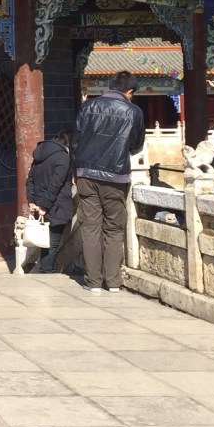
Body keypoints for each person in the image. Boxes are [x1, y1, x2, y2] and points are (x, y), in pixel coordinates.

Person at [72, 70, 145, 293]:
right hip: (116, 175)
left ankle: (93, 281)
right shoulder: (134, 111)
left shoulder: (88, 107)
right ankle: (113, 282)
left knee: (90, 227)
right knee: (114, 228)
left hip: (86, 174)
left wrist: (76, 169)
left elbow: (76, 142)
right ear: (129, 91)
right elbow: (136, 145)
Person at [25, 131, 72, 273]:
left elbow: (30, 180)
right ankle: (46, 273)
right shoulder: (63, 157)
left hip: (39, 205)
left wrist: (32, 201)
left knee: (45, 243)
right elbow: (56, 184)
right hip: (56, 206)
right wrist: (45, 206)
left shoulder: (38, 156)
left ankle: (46, 270)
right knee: (52, 244)